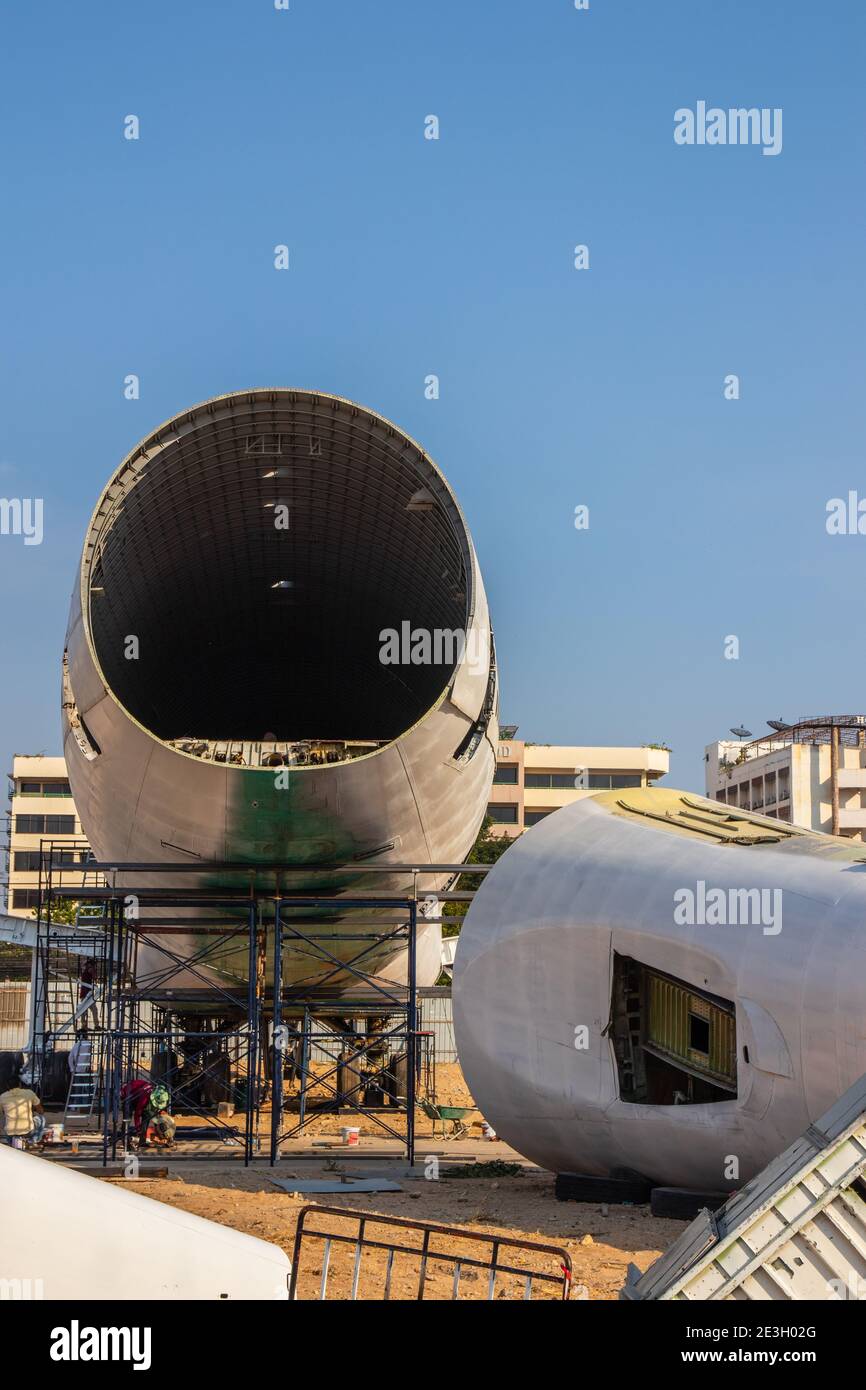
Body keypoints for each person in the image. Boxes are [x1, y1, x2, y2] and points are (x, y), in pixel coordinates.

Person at [0, 1075, 45, 1149]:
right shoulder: (29, 1093)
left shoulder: (2, 1097)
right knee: (41, 1118)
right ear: (20, 1084)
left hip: (10, 1133)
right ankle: (33, 1141)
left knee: (6, 1118)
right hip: (27, 1131)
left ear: (7, 1086)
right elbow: (41, 1110)